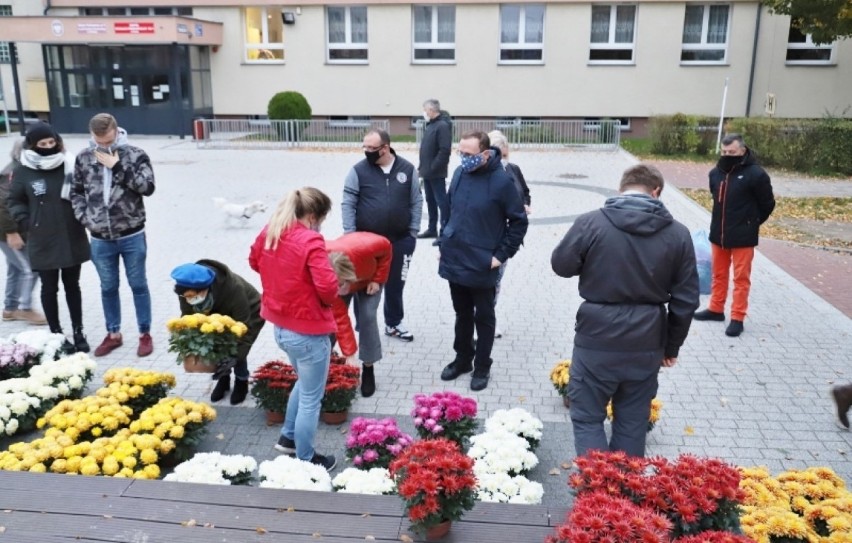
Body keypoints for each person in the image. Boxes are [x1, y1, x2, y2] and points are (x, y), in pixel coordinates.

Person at [551, 164, 699, 458]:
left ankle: (596, 494)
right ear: (656, 191)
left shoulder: (591, 223)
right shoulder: (678, 234)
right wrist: (671, 347)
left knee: (588, 417)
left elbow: (561, 265)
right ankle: (623, 497)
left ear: (622, 189)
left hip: (597, 337)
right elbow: (686, 300)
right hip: (646, 340)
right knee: (632, 422)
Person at [249, 187, 338, 472]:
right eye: (322, 218)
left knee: (304, 383)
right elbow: (327, 288)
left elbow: (254, 261)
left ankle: (288, 436)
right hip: (308, 332)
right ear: (312, 215)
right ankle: (306, 459)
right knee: (313, 397)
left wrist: (281, 282)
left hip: (281, 327)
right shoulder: (311, 241)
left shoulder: (271, 231)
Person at [437, 131, 528, 391]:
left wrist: (500, 255)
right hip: (455, 257)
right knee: (461, 313)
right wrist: (444, 241)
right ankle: (462, 358)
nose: (463, 158)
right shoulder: (459, 174)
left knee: (484, 317)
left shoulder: (501, 181)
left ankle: (482, 365)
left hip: (482, 262)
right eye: (460, 153)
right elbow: (450, 210)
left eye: (468, 154)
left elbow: (519, 221)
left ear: (485, 154)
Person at [71, 113, 156, 357]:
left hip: (132, 234)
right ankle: (113, 333)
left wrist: (117, 167)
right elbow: (75, 192)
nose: (105, 146)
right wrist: (85, 218)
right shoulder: (84, 157)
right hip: (100, 237)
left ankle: (144, 333)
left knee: (138, 285)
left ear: (117, 132)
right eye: (100, 142)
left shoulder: (135, 154)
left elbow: (147, 188)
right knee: (108, 287)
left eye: (109, 141)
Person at [7, 122, 91, 352]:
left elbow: (85, 191)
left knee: (72, 286)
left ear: (57, 141)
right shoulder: (23, 169)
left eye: (51, 142)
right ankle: (56, 335)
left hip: (71, 234)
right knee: (49, 287)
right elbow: (14, 199)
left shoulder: (69, 163)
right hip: (42, 237)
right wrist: (25, 221)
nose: (47, 147)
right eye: (42, 144)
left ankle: (78, 331)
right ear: (33, 145)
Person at [342, 128, 422, 342]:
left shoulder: (407, 169)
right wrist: (350, 236)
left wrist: (412, 233)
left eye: (371, 148)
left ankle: (394, 323)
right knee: (364, 284)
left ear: (385, 148)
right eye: (365, 147)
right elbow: (348, 203)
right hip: (366, 244)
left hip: (401, 240)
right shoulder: (358, 171)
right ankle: (363, 325)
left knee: (396, 284)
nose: (367, 152)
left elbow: (416, 200)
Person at [693, 133, 775, 337]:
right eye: (724, 152)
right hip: (718, 235)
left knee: (741, 279)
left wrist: (751, 224)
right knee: (718, 274)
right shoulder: (715, 173)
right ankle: (716, 309)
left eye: (732, 152)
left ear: (743, 151)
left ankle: (737, 317)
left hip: (743, 237)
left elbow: (767, 204)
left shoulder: (757, 175)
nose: (728, 155)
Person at [170, 260, 265, 405]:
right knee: (216, 341)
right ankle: (223, 379)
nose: (188, 299)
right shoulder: (186, 288)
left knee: (235, 345)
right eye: (186, 297)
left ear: (204, 290)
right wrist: (187, 341)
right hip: (218, 314)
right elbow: (188, 316)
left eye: (191, 296)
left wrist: (236, 357)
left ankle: (241, 380)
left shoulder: (234, 289)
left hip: (249, 312)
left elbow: (244, 330)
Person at [326, 232, 393, 398]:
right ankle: (326, 362)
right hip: (343, 277)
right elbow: (341, 318)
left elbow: (386, 248)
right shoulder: (327, 275)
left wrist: (377, 279)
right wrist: (349, 353)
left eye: (341, 284)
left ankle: (368, 367)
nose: (340, 289)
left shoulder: (368, 246)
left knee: (367, 316)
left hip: (369, 278)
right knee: (330, 321)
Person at [486, 130, 532, 339]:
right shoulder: (484, 175)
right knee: (486, 283)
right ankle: (482, 321)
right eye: (498, 155)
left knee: (496, 282)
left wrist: (525, 205)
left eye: (504, 156)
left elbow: (525, 191)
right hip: (488, 236)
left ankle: (487, 319)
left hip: (507, 239)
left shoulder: (513, 169)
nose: (502, 160)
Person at [1, 139, 46, 325]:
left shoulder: (25, 171)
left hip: (19, 231)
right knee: (31, 269)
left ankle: (10, 309)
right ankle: (26, 308)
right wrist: (11, 233)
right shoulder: (10, 174)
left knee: (15, 269)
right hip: (9, 233)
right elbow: (2, 206)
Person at [417, 99, 452, 240]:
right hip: (427, 172)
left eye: (425, 109)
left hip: (436, 172)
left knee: (441, 201)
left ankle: (445, 230)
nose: (424, 112)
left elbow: (444, 150)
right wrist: (422, 167)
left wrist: (433, 167)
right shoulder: (431, 125)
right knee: (430, 201)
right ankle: (432, 229)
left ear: (431, 110)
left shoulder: (442, 126)